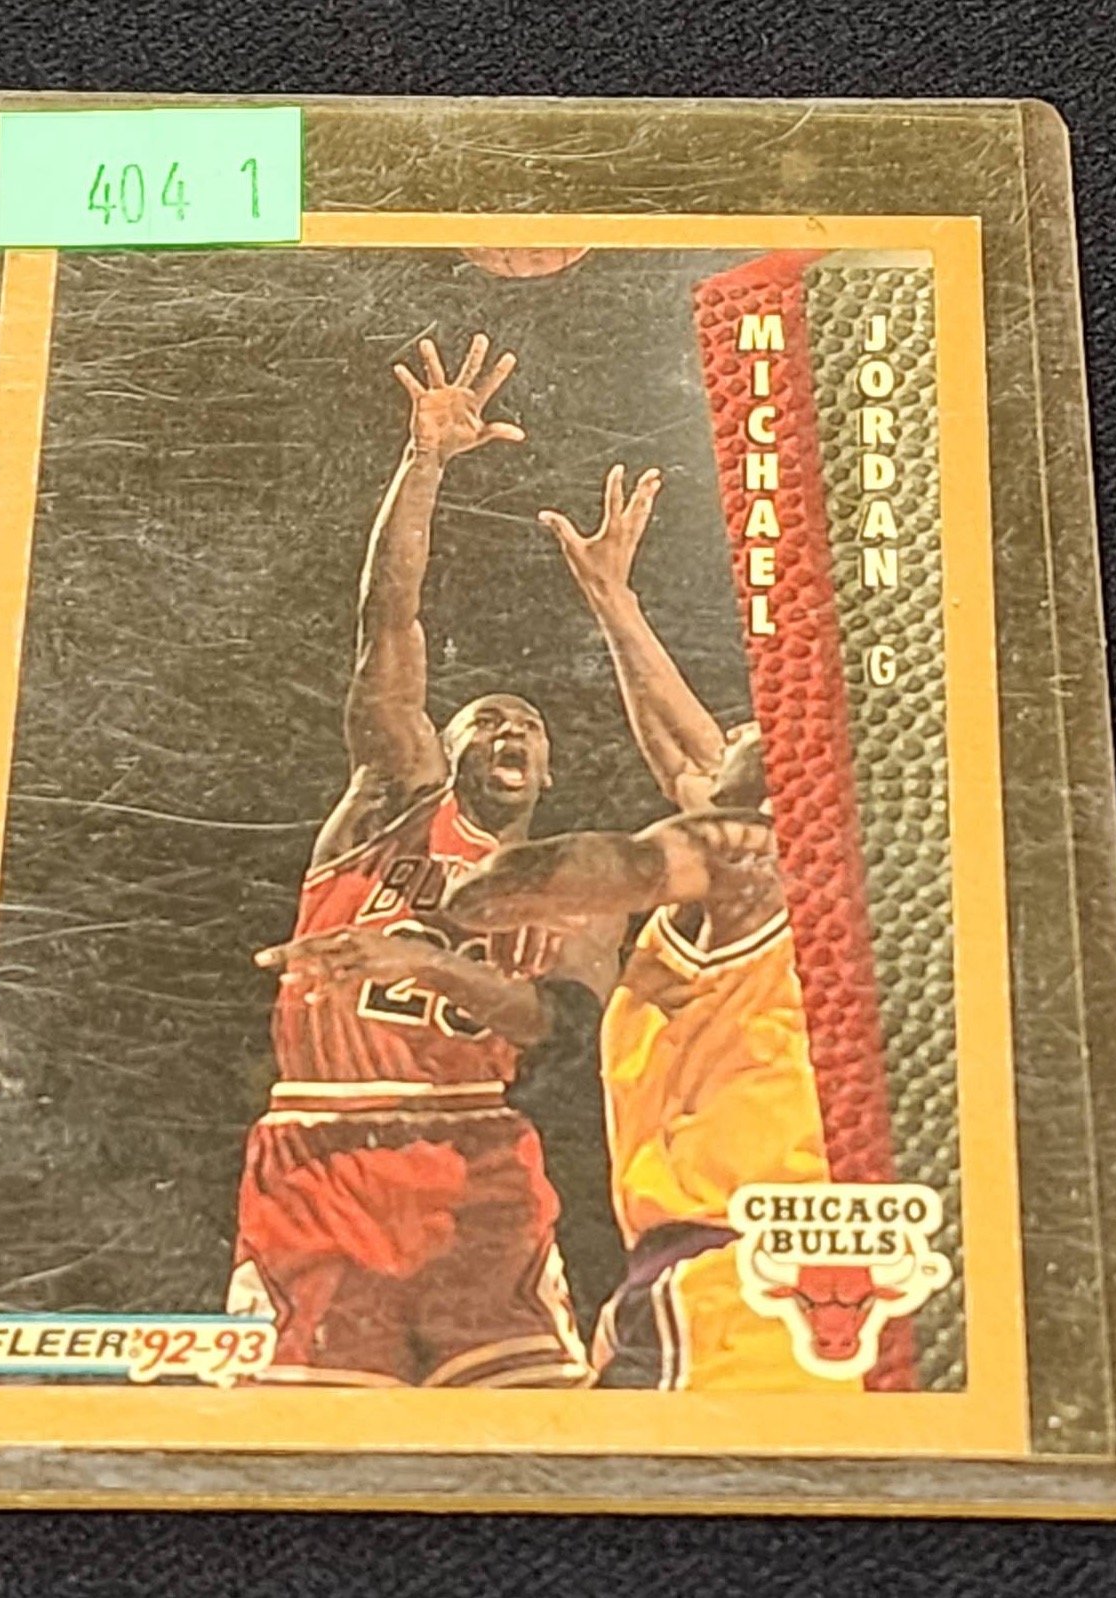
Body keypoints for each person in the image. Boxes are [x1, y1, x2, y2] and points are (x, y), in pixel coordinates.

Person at [230, 334, 613, 1389]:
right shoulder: (393, 803)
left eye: (526, 723)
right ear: (438, 753)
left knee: (530, 1427)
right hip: (323, 1147)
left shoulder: (577, 888)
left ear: (547, 767)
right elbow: (386, 622)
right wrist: (424, 463)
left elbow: (555, 1027)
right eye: (484, 719)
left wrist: (428, 963)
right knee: (304, 1438)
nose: (508, 727)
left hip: (477, 1162)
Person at [446, 466, 839, 1391]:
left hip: (725, 1283)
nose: (728, 729)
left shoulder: (748, 857)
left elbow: (601, 863)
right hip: (724, 1269)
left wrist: (482, 892)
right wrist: (611, 601)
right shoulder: (763, 866)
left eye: (747, 731)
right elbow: (684, 756)